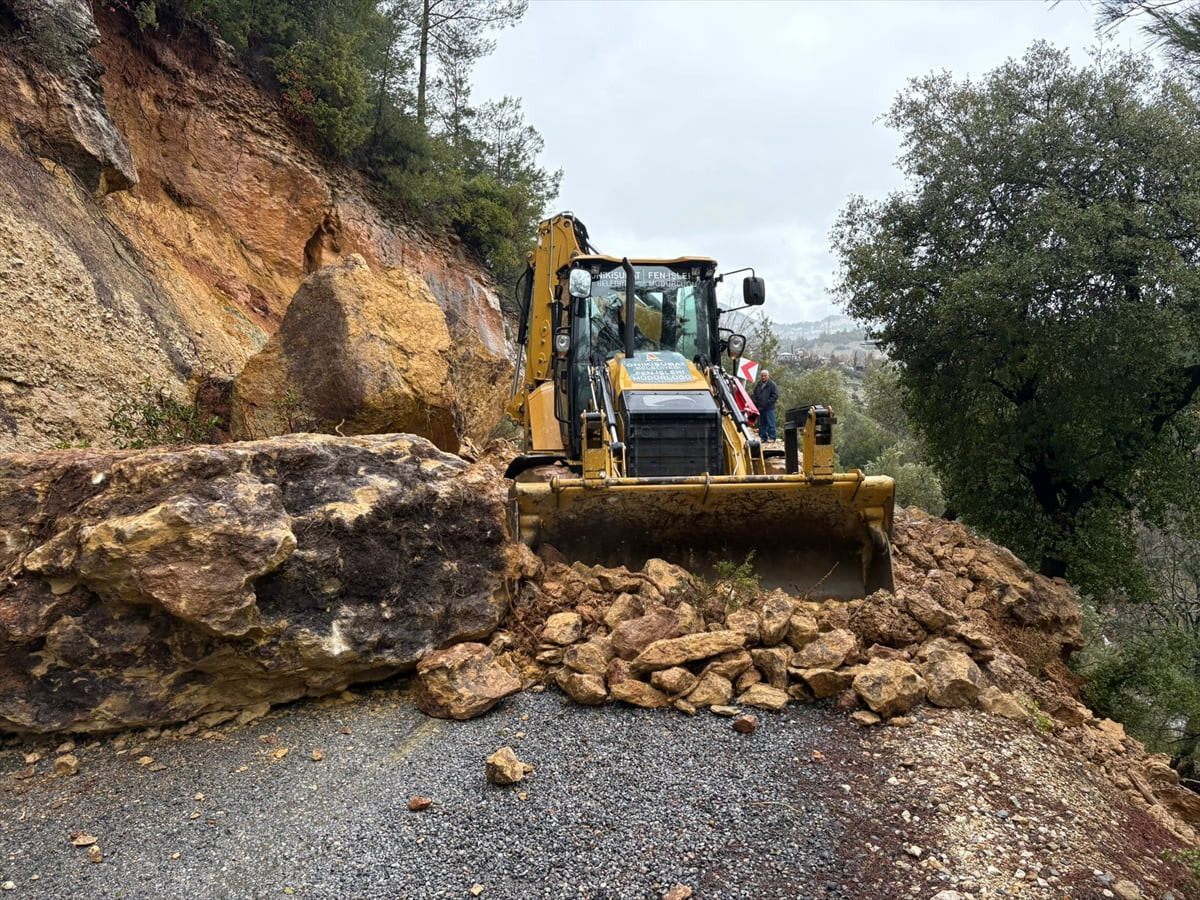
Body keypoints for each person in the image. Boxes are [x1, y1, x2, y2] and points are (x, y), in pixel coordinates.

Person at [752, 369, 779, 441]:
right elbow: (755, 394)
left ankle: (772, 437)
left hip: (769, 408)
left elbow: (775, 395)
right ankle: (763, 437)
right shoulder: (759, 384)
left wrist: (768, 402)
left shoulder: (772, 384)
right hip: (760, 408)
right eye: (762, 376)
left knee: (771, 423)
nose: (763, 377)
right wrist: (755, 402)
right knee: (761, 424)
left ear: (768, 376)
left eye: (765, 376)